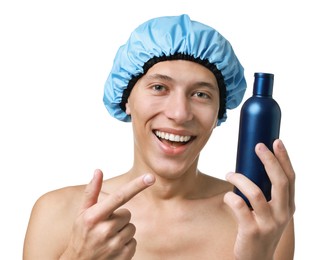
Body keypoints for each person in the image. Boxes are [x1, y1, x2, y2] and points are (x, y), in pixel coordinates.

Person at [23, 14, 295, 260]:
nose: (179, 113)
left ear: (219, 113)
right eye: (159, 87)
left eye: (201, 94)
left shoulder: (260, 219)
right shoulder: (56, 214)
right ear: (126, 100)